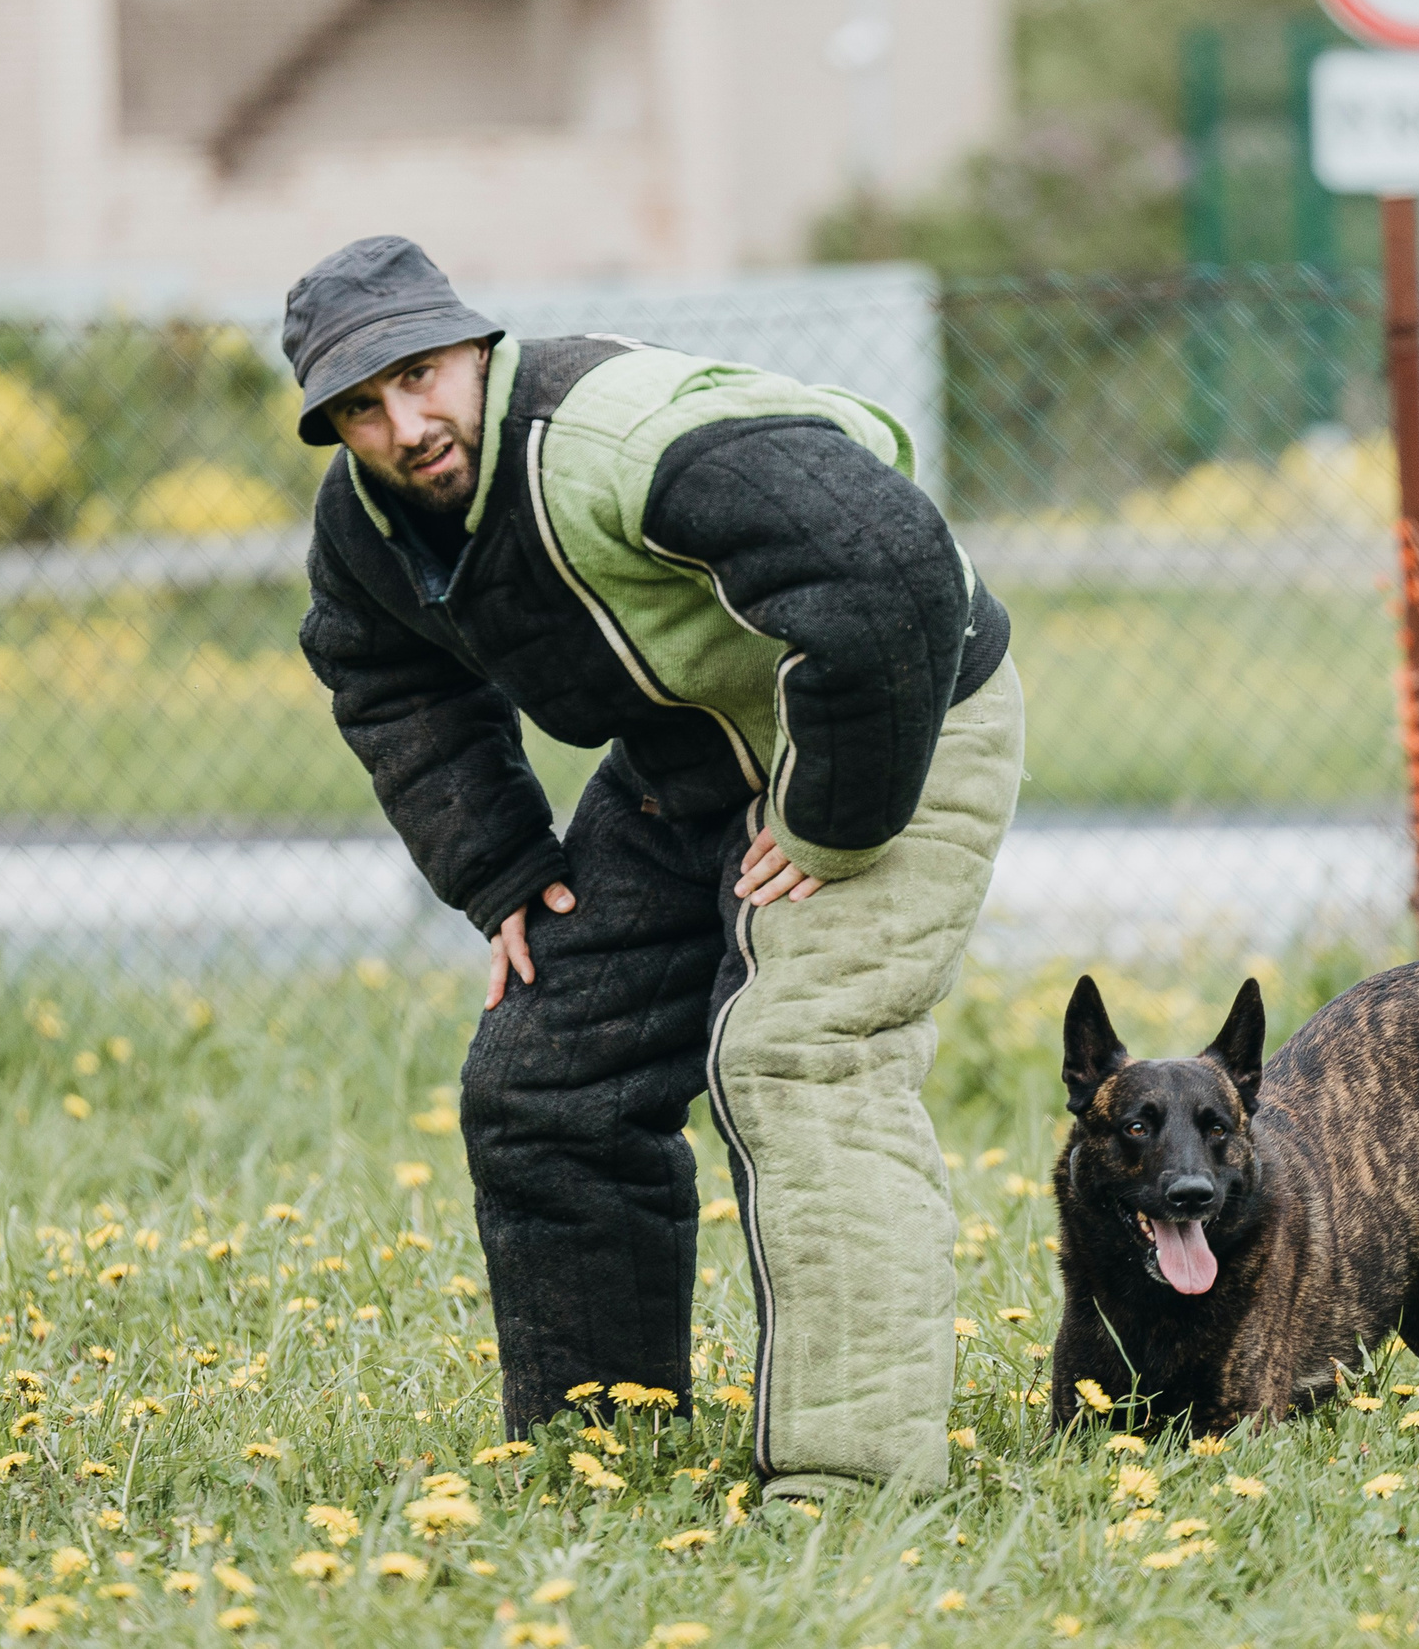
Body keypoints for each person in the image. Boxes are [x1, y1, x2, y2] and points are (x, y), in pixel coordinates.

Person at [287, 237, 1020, 1501]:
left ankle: (852, 1485)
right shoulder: (369, 525)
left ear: (476, 347)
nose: (404, 426)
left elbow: (886, 566)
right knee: (544, 1077)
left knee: (798, 1053)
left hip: (897, 721)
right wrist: (501, 866)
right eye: (360, 407)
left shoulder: (617, 441)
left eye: (418, 376)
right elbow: (384, 675)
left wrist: (829, 820)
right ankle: (599, 1449)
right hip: (686, 759)